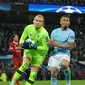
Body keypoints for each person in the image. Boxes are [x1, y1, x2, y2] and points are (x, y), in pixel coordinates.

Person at [10, 14, 50, 85]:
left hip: (39, 54)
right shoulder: (28, 28)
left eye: (40, 21)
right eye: (36, 20)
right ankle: (12, 83)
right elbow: (22, 38)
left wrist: (35, 47)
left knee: (33, 75)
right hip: (29, 51)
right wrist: (22, 44)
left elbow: (46, 48)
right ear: (33, 21)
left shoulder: (45, 33)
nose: (38, 22)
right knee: (24, 65)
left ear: (42, 23)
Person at [47, 15, 75, 85]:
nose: (66, 21)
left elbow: (70, 46)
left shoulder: (71, 32)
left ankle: (68, 82)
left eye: (67, 20)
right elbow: (51, 45)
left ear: (69, 23)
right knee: (53, 72)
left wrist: (56, 45)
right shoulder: (54, 32)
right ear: (60, 22)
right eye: (64, 20)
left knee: (64, 65)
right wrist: (49, 45)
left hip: (65, 54)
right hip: (55, 54)